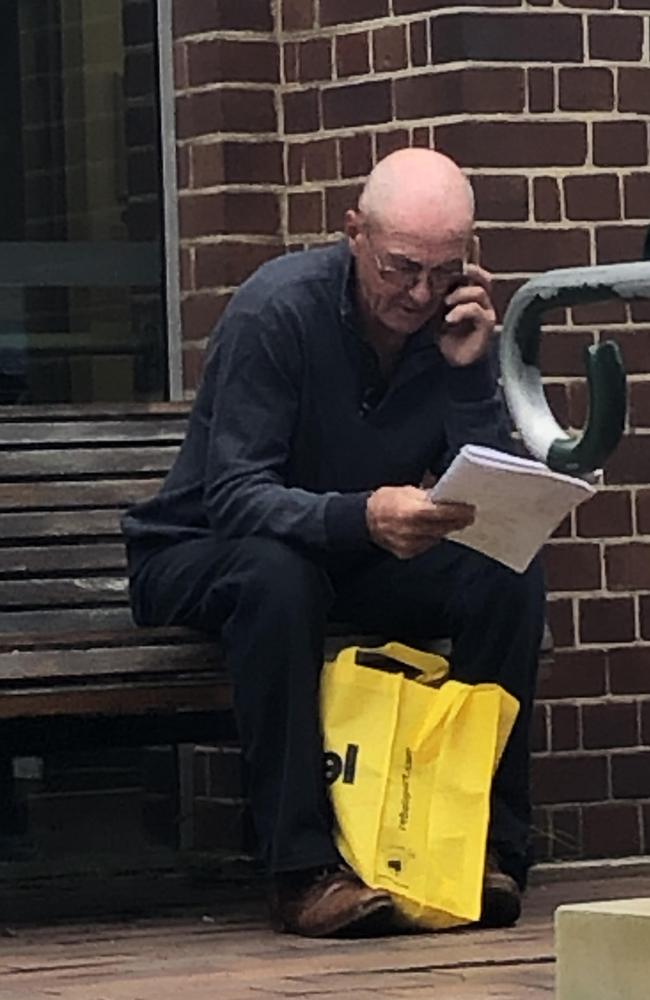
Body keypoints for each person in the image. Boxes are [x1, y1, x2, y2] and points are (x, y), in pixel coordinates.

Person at [122, 148, 545, 938]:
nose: (418, 294)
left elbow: (487, 497)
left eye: (442, 270)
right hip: (199, 549)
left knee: (504, 571)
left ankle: (481, 848)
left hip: (342, 553)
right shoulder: (273, 312)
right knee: (279, 577)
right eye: (400, 269)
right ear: (354, 233)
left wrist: (466, 375)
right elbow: (234, 495)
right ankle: (301, 871)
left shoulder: (450, 324)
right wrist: (362, 518)